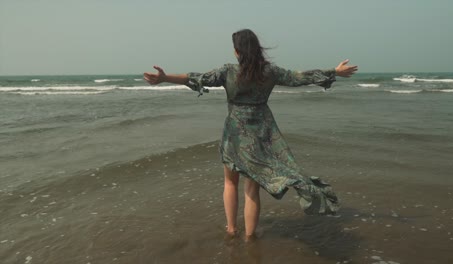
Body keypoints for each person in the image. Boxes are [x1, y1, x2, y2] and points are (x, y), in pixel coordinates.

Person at [144, 29, 358, 240]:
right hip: (261, 134)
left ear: (237, 51)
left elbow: (197, 78)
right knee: (251, 190)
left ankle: (231, 229)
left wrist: (165, 78)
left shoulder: (228, 72)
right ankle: (249, 236)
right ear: (257, 49)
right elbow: (299, 77)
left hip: (235, 133)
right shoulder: (270, 72)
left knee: (230, 183)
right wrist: (334, 72)